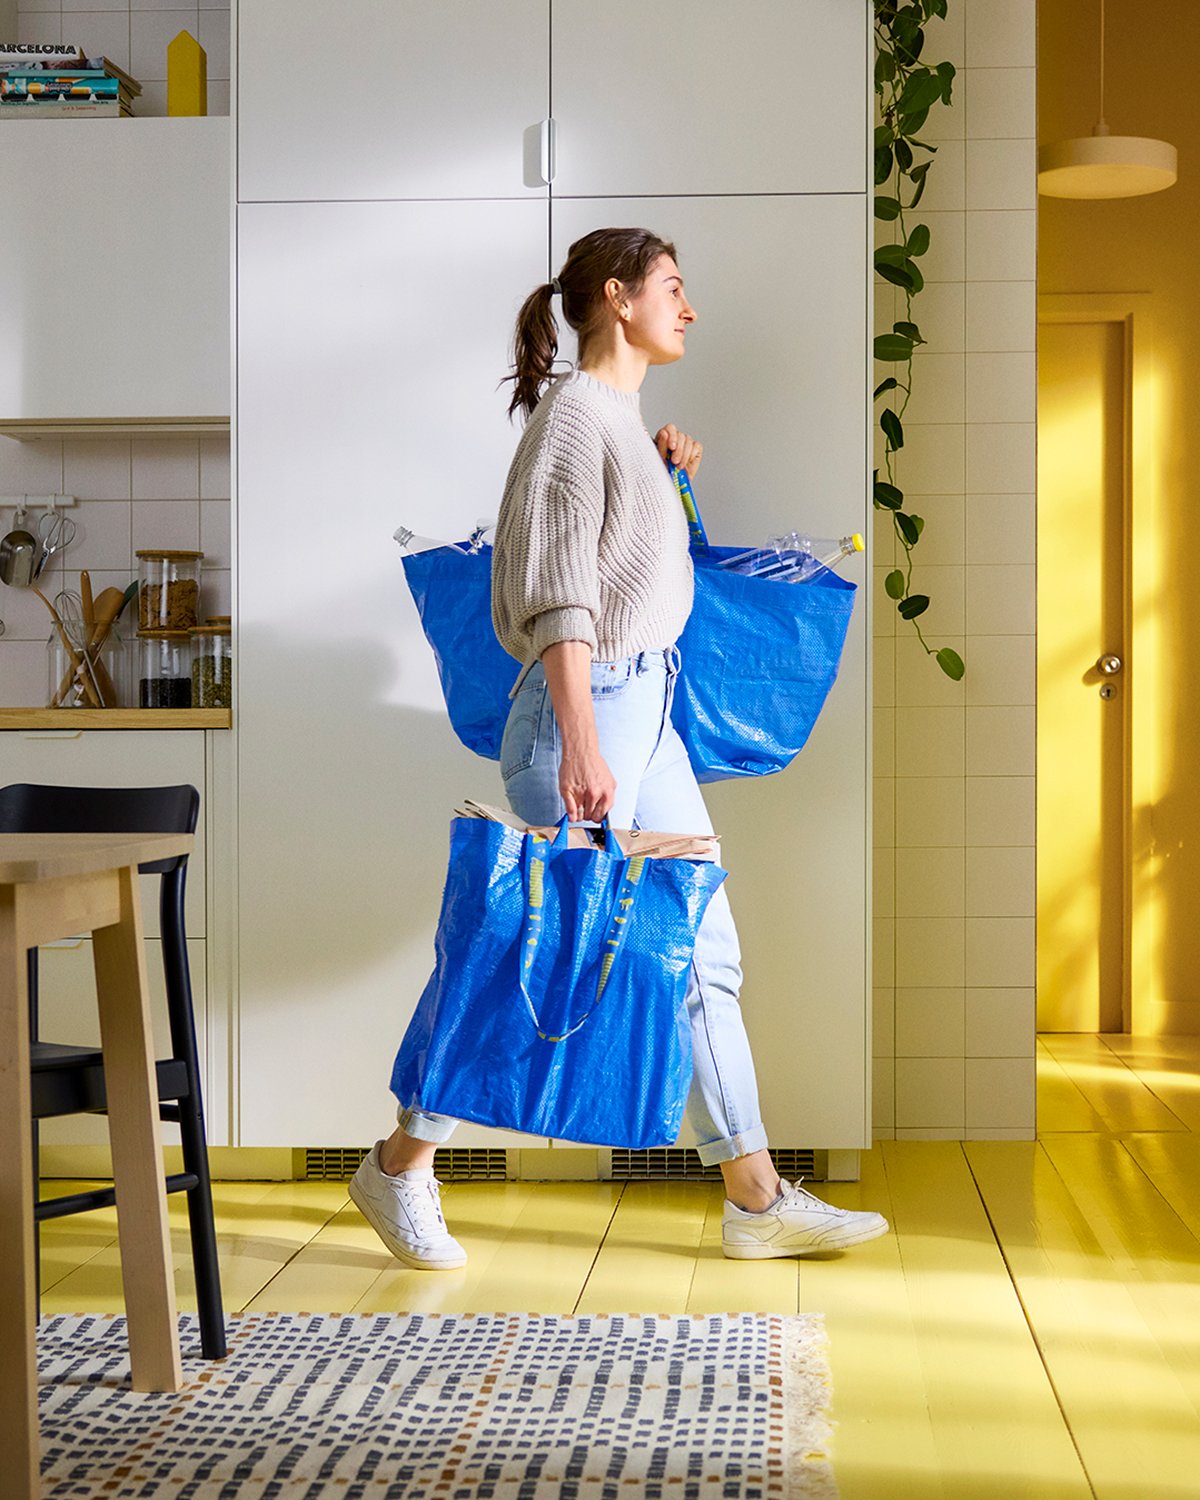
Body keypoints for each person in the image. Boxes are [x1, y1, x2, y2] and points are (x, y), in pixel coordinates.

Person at [350, 227, 889, 1270]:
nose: (689, 308)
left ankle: (756, 1199)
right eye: (673, 287)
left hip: (645, 716)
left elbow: (634, 577)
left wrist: (667, 478)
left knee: (703, 953)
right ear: (618, 296)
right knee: (529, 949)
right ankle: (399, 1166)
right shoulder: (572, 422)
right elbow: (561, 596)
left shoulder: (618, 428)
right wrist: (584, 744)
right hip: (585, 714)